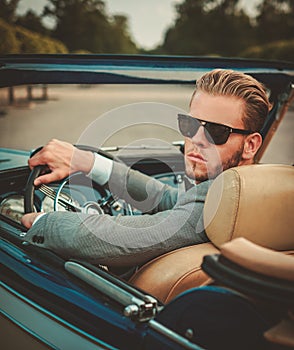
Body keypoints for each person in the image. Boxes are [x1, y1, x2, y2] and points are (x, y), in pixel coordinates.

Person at [21, 69, 271, 267]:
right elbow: (169, 198)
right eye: (190, 124)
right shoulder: (248, 190)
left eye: (216, 131)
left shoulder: (222, 203)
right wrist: (89, 163)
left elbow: (120, 239)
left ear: (251, 145)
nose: (196, 139)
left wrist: (43, 221)